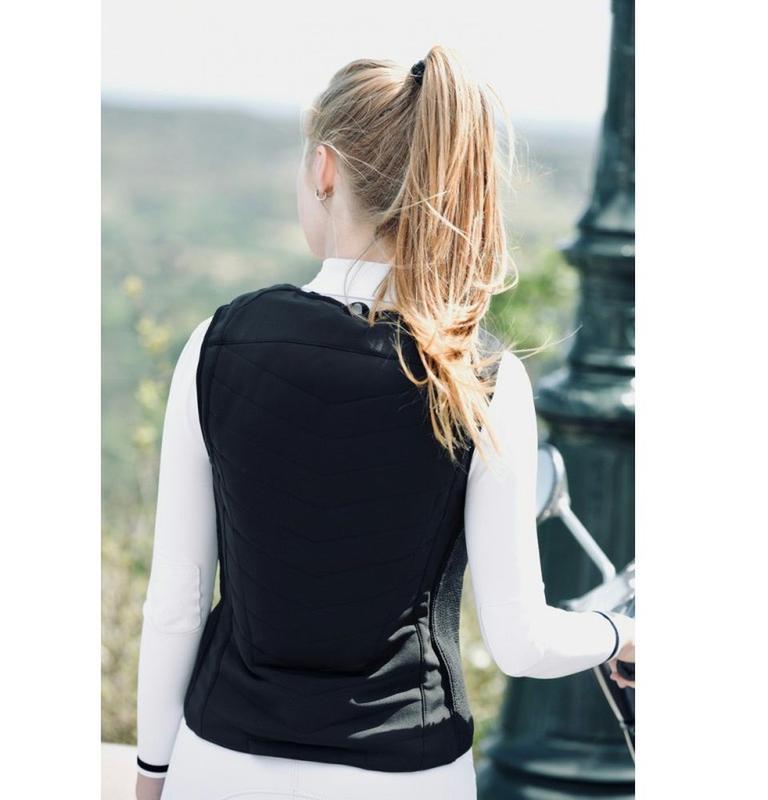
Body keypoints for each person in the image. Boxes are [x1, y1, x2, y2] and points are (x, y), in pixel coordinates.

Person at [134, 45, 635, 800]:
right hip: (408, 775)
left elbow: (176, 601)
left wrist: (152, 772)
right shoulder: (476, 378)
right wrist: (623, 633)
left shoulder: (219, 342)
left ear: (324, 170)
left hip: (220, 765)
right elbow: (521, 642)